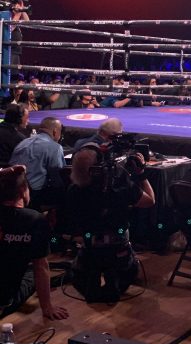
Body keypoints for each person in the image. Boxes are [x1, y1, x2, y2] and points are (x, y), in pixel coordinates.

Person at [67, 145, 155, 303]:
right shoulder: (120, 186)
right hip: (118, 245)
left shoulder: (73, 190)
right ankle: (113, 277)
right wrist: (141, 174)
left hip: (89, 246)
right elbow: (150, 201)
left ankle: (93, 277)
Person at [0, 165, 69, 319]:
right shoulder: (34, 220)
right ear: (22, 191)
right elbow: (41, 267)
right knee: (31, 273)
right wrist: (47, 307)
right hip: (4, 300)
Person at [9, 117, 65, 209]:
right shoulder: (55, 147)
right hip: (33, 196)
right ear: (55, 131)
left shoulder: (22, 143)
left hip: (10, 191)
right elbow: (57, 178)